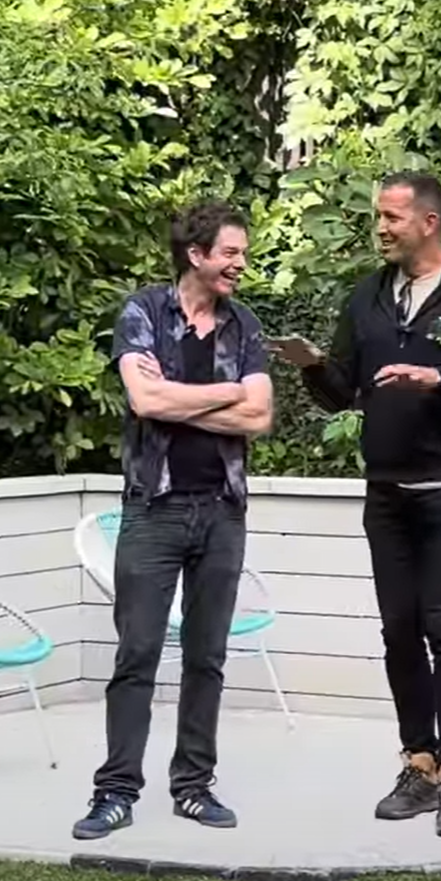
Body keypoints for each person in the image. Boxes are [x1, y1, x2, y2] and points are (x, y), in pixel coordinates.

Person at [270, 171, 441, 838]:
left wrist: (439, 380)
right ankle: (418, 763)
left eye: (391, 217)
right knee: (398, 630)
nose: (380, 228)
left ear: (429, 222)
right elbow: (345, 393)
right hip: (385, 491)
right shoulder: (368, 296)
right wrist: (312, 365)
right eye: (377, 216)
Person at [73, 200, 275, 841]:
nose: (241, 264)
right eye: (231, 253)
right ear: (196, 254)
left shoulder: (244, 324)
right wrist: (227, 392)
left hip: (222, 512)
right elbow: (144, 399)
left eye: (242, 254)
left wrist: (179, 401)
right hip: (153, 510)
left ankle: (193, 787)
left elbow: (260, 416)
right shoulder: (143, 313)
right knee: (136, 653)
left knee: (206, 657)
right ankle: (115, 792)